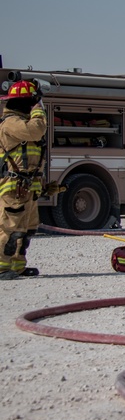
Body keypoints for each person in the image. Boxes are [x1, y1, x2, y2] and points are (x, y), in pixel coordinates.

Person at [0, 80, 48, 279]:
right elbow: (36, 130)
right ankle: (2, 267)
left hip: (28, 188)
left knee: (25, 230)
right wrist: (39, 112)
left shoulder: (22, 121)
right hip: (13, 189)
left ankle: (17, 266)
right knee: (9, 229)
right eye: (33, 102)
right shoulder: (12, 123)